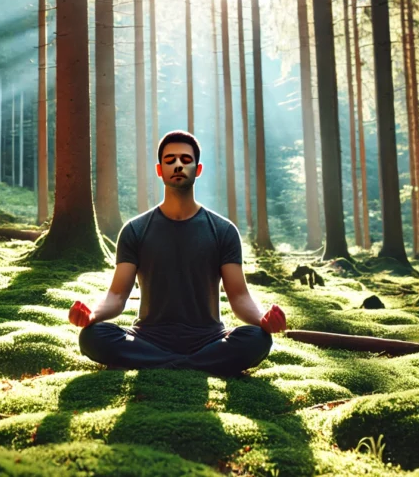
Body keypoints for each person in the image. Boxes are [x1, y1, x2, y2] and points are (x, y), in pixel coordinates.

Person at [69, 130, 287, 377]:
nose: (178, 165)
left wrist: (263, 320)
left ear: (198, 168)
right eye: (170, 160)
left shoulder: (223, 231)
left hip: (208, 339)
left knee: (257, 338)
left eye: (186, 160)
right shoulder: (135, 230)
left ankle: (158, 363)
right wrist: (92, 315)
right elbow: (117, 295)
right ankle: (195, 364)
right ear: (160, 170)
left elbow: (239, 297)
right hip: (147, 338)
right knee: (92, 336)